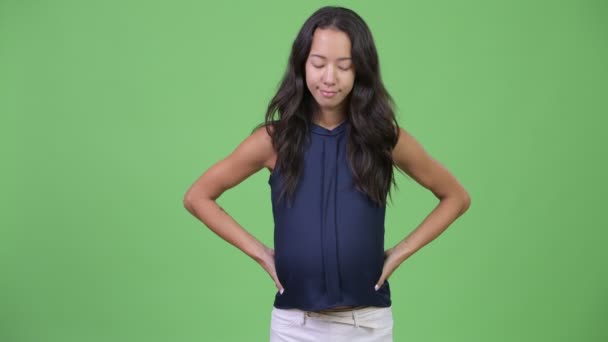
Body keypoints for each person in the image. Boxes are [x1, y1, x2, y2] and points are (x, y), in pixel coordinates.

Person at [183, 5, 471, 342]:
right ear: (302, 65)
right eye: (318, 64)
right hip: (295, 327)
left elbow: (456, 197)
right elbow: (197, 196)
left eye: (344, 66)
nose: (329, 78)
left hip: (367, 325)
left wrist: (400, 252)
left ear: (360, 71)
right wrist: (261, 253)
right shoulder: (272, 141)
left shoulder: (384, 138)